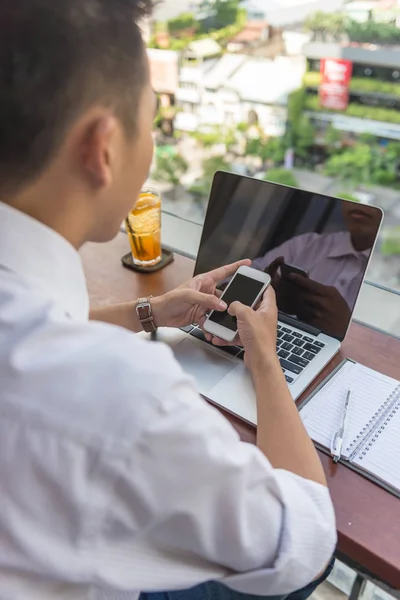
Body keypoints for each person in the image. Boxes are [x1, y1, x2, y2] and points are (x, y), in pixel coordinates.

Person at [0, 2, 336, 599]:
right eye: (151, 121)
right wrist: (266, 362)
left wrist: (149, 311)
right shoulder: (123, 397)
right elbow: (305, 541)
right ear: (102, 148)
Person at [252, 203, 381, 337]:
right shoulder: (307, 244)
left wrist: (342, 329)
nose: (362, 202)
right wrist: (259, 292)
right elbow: (230, 283)